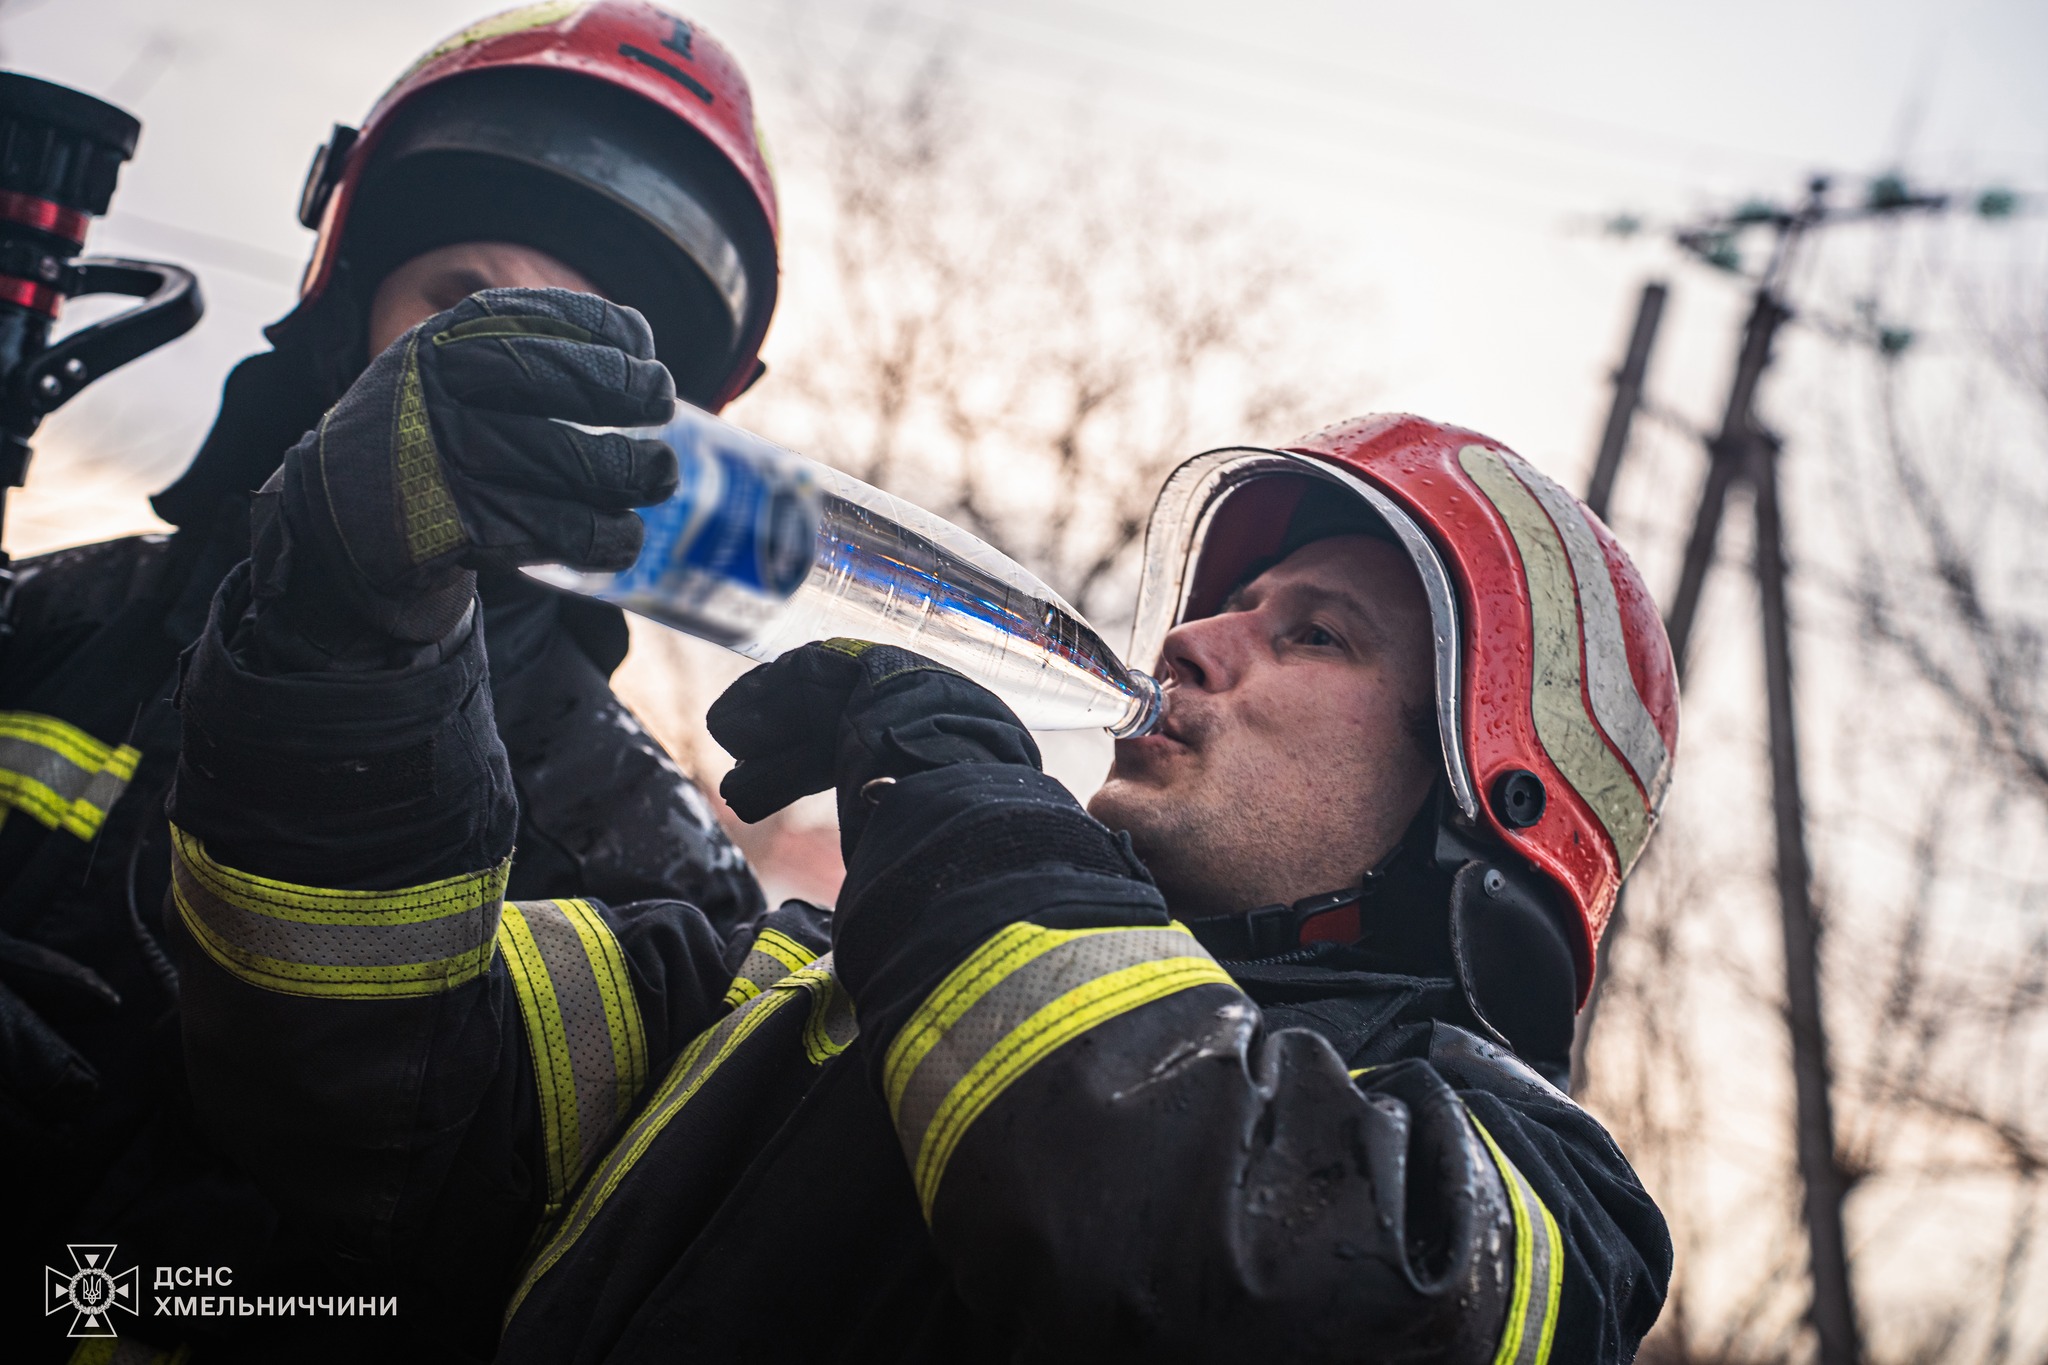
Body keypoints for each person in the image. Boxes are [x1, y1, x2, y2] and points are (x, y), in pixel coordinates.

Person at [164, 299, 1680, 1364]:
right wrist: (345, 623)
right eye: (1222, 604)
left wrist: (970, 818)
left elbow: (1247, 1276)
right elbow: (360, 1068)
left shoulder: (1535, 1204)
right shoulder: (775, 1001)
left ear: (1477, 803)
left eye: (1318, 634)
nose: (1199, 642)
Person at [2, 5, 779, 1357]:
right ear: (341, 296)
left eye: (572, 353)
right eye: (456, 310)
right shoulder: (55, 618)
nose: (493, 384)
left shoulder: (663, 875)